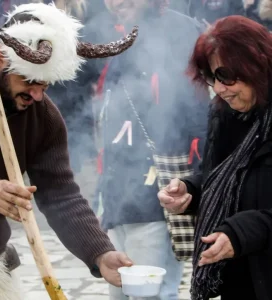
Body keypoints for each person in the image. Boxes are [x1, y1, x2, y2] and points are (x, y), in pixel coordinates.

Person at [0, 2, 138, 299]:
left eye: (45, 85)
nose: (37, 95)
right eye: (30, 81)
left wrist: (99, 252)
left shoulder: (43, 117)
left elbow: (60, 194)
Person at [97, 0, 209, 299]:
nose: (116, 3)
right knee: (119, 294)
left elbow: (200, 118)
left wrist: (196, 182)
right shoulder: (116, 34)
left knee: (153, 294)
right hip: (117, 193)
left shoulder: (181, 32)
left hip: (157, 191)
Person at [158, 15, 272, 300]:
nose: (219, 89)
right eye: (212, 77)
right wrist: (190, 191)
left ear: (256, 66)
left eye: (226, 76)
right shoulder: (224, 113)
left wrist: (240, 232)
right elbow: (219, 177)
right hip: (239, 277)